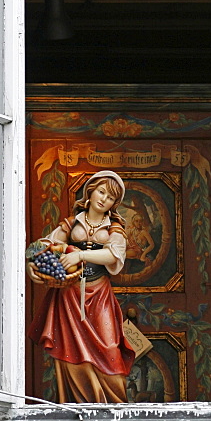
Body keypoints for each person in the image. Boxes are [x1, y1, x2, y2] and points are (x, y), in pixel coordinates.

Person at [27, 170, 135, 403]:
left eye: (110, 197)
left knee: (109, 349)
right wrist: (32, 263)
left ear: (114, 204)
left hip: (99, 294)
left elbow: (114, 255)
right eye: (101, 191)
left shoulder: (114, 229)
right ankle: (76, 404)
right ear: (91, 191)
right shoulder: (71, 223)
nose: (103, 198)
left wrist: (80, 256)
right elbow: (45, 244)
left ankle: (114, 405)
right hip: (69, 296)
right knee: (69, 350)